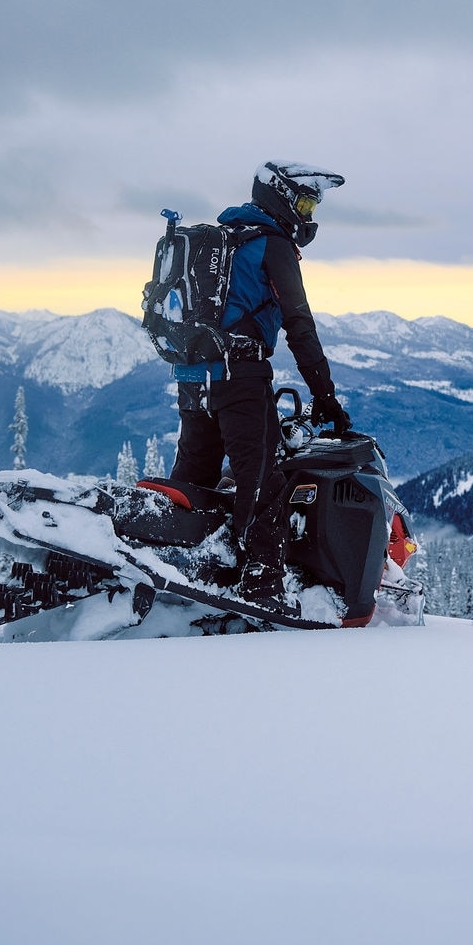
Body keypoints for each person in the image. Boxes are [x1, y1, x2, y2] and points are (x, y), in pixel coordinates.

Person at [168, 161, 351, 609]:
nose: (308, 213)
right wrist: (325, 397)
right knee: (262, 483)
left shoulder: (227, 238)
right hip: (241, 377)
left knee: (195, 477)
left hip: (196, 378)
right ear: (281, 197)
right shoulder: (272, 244)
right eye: (305, 202)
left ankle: (170, 562)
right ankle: (262, 588)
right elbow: (299, 325)